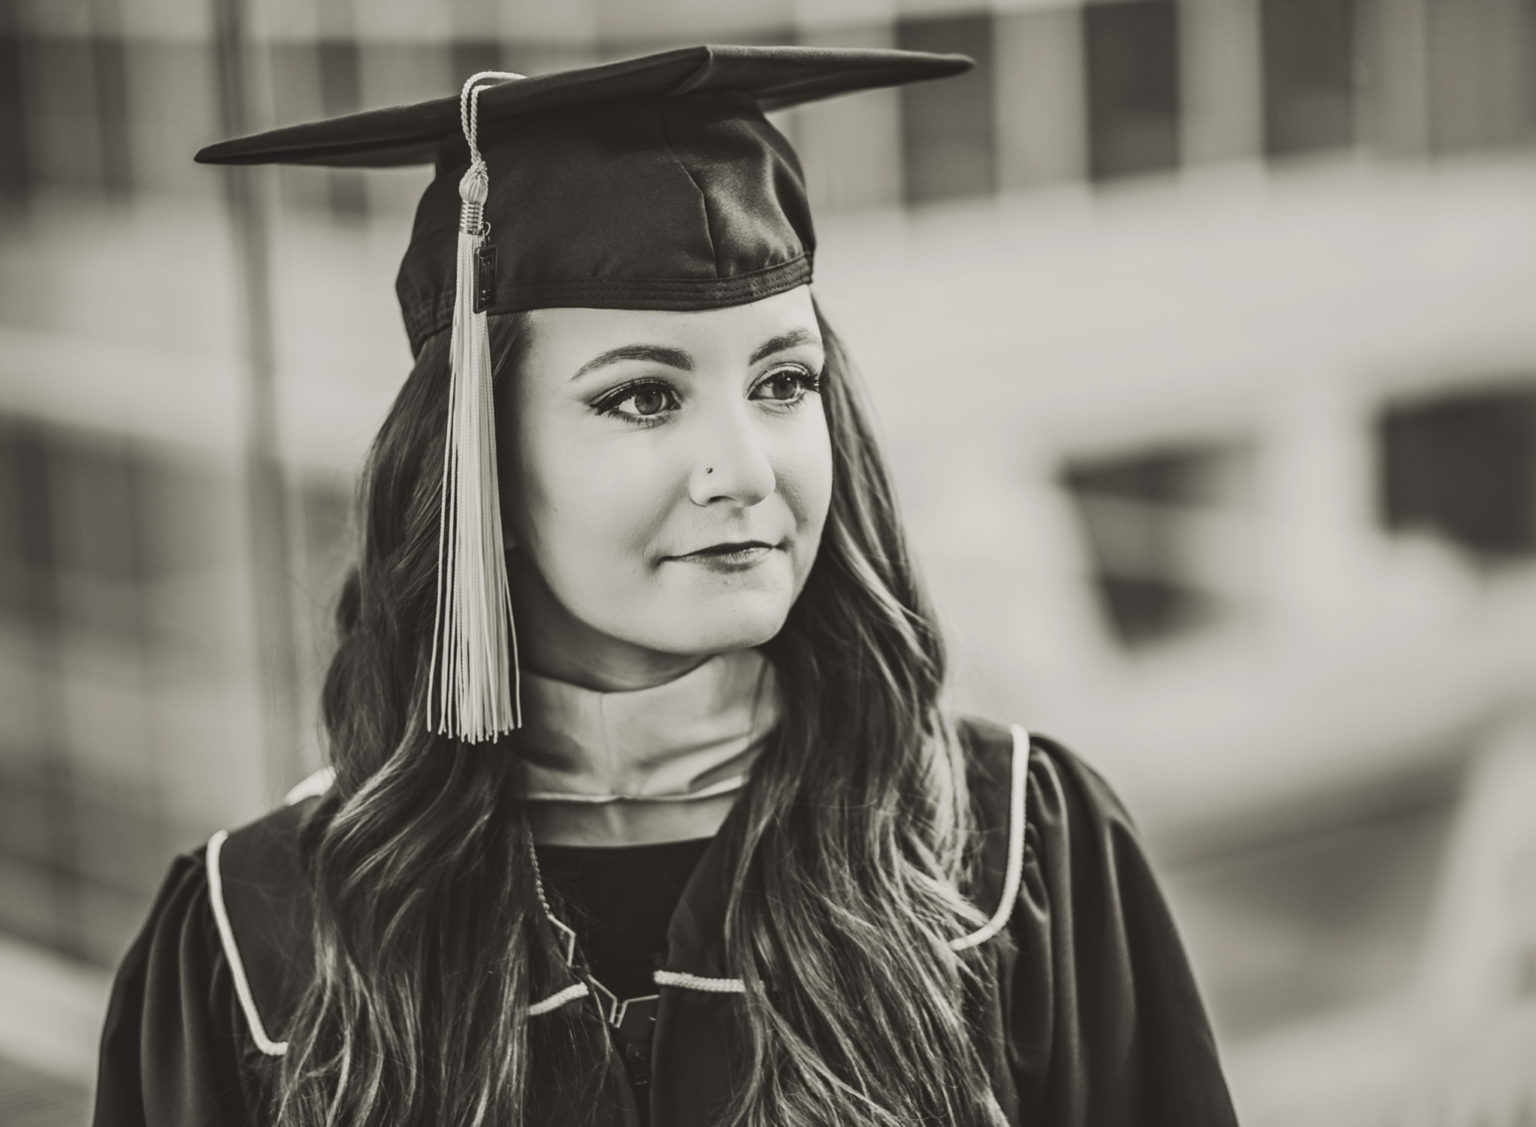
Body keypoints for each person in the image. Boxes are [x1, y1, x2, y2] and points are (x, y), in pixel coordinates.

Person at [93, 45, 1238, 1127]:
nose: (744, 470)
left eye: (786, 382)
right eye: (642, 397)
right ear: (475, 458)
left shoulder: (1012, 853)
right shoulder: (258, 938)